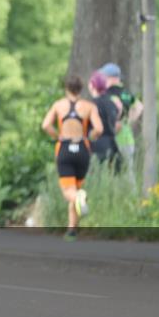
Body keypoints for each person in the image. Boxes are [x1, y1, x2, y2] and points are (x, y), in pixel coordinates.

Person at [41, 76, 103, 241]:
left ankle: (78, 198)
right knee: (75, 189)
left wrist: (58, 136)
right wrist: (89, 136)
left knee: (70, 192)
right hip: (82, 149)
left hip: (65, 149)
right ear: (81, 89)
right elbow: (99, 129)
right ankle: (71, 230)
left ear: (66, 88)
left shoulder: (58, 105)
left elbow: (45, 125)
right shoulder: (89, 106)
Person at [100, 63, 143, 170]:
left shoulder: (107, 94)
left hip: (111, 138)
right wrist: (127, 121)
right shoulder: (126, 93)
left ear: (110, 78)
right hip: (127, 138)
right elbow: (139, 107)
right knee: (128, 172)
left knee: (110, 172)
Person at [89, 71, 121, 167]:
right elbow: (117, 124)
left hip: (96, 146)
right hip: (112, 145)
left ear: (92, 85)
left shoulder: (90, 105)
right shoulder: (112, 103)